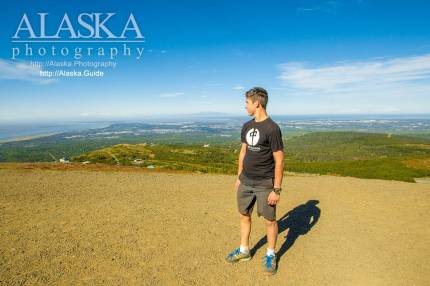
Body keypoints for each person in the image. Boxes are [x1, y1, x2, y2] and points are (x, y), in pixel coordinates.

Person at [225, 87, 284, 275]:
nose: (245, 106)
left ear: (257, 103)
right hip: (246, 181)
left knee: (269, 220)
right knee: (244, 215)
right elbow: (243, 152)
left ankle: (271, 253)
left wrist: (277, 189)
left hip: (265, 183)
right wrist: (239, 177)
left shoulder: (272, 128)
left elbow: (279, 159)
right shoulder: (247, 126)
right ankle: (244, 251)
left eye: (247, 103)